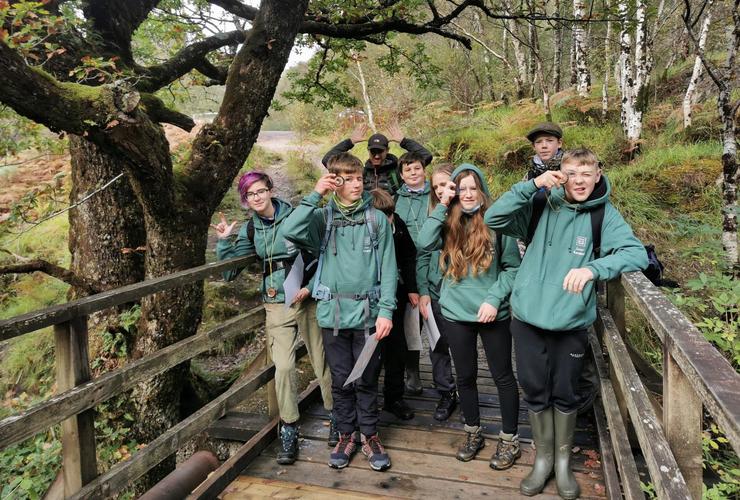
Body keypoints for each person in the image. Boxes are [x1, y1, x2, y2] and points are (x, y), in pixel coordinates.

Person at [485, 149, 648, 498]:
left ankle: (562, 465)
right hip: (527, 318)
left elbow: (635, 253)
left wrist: (593, 268)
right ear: (561, 173)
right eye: (571, 173)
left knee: (566, 392)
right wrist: (531, 185)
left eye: (586, 174)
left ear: (598, 173)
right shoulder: (542, 203)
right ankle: (542, 460)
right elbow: (494, 218)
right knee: (533, 388)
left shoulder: (603, 214)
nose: (579, 181)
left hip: (570, 322)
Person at [282, 153, 398, 472]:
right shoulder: (322, 219)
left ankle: (370, 435)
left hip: (368, 314)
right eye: (348, 178)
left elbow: (389, 270)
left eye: (359, 177)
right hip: (332, 315)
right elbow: (288, 233)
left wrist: (386, 312)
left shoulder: (376, 221)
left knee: (367, 379)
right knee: (342, 380)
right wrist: (315, 195)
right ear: (335, 182)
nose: (357, 183)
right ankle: (347, 434)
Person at [212, 171, 335, 465]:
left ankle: (336, 415)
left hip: (306, 298)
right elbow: (228, 273)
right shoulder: (251, 230)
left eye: (259, 191)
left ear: (270, 190)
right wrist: (224, 242)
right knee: (283, 367)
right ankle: (289, 428)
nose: (256, 198)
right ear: (245, 199)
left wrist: (310, 287)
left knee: (321, 360)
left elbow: (321, 252)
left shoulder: (295, 215)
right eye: (249, 194)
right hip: (275, 304)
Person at [417, 163, 522, 470]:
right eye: (459, 188)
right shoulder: (447, 221)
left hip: (491, 313)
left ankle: (509, 439)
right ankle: (473, 432)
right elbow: (423, 243)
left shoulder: (497, 220)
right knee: (465, 376)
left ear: (482, 190)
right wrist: (443, 203)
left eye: (471, 188)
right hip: (456, 312)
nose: (466, 193)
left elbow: (512, 268)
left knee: (503, 376)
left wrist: (493, 299)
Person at [398, 156, 458, 419]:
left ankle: (467, 394)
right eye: (438, 187)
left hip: (463, 288)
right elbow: (423, 253)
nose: (443, 191)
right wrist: (422, 289)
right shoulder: (429, 209)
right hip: (432, 285)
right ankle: (446, 392)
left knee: (464, 347)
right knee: (437, 343)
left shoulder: (469, 210)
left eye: (447, 184)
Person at [369, 189, 418, 421]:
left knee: (397, 348)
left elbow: (409, 256)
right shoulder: (363, 228)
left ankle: (394, 398)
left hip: (395, 293)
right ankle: (367, 400)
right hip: (367, 296)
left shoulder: (397, 226)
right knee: (369, 350)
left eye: (390, 214)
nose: (388, 219)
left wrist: (411, 288)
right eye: (383, 214)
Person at [321, 122, 433, 196]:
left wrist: (404, 141)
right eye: (373, 151)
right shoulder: (361, 172)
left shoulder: (398, 170)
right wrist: (350, 142)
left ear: (387, 150)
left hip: (393, 216)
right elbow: (327, 160)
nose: (377, 156)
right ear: (368, 151)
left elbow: (426, 156)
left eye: (380, 151)